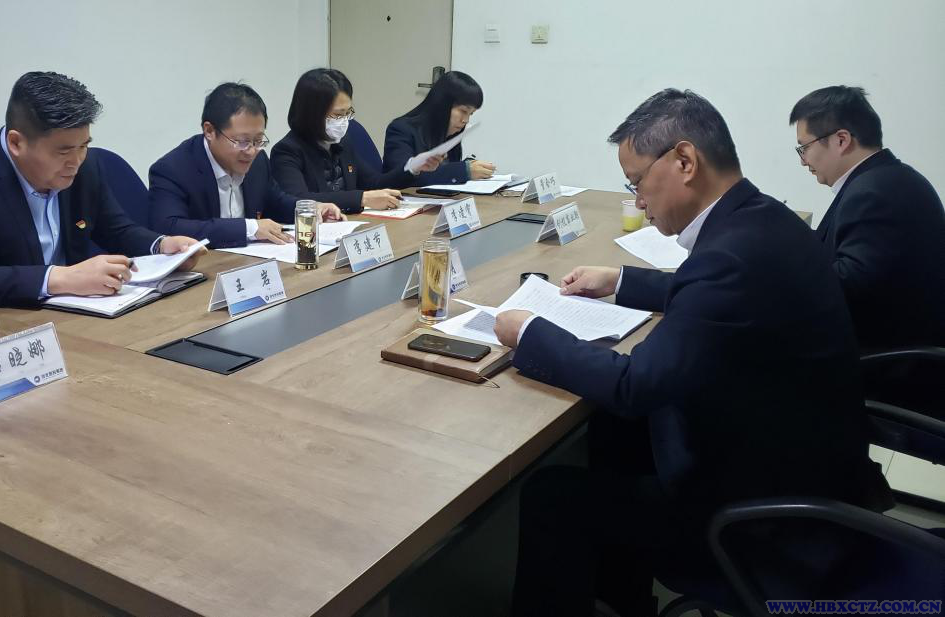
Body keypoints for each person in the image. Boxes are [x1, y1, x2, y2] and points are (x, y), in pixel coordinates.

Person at [492, 89, 890, 616]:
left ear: (684, 161)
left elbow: (633, 385)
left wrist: (530, 332)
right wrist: (621, 281)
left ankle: (620, 590)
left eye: (636, 183)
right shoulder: (763, 219)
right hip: (812, 472)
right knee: (616, 431)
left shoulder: (729, 257)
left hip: (769, 522)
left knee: (553, 494)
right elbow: (713, 296)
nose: (638, 201)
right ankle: (624, 599)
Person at [0, 71, 202, 307]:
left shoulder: (86, 166)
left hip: (79, 314)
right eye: (63, 151)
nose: (76, 161)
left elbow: (116, 229)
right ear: (16, 143)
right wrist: (60, 278)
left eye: (84, 146)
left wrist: (162, 246)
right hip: (14, 321)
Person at [789, 86, 945, 352]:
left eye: (804, 147)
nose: (803, 161)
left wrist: (780, 268)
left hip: (885, 364)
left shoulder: (874, 193)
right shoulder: (888, 179)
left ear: (841, 140)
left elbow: (851, 289)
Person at [148, 82, 343, 248]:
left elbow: (276, 202)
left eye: (258, 140)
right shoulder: (173, 169)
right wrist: (249, 228)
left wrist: (309, 209)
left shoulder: (258, 161)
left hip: (248, 264)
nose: (251, 151)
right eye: (242, 141)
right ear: (209, 131)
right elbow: (169, 228)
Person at [271, 68, 441, 213]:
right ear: (311, 114)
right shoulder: (287, 150)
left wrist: (413, 167)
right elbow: (300, 200)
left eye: (348, 113)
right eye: (338, 115)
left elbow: (374, 183)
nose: (344, 121)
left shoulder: (342, 142)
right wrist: (361, 198)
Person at [382, 70, 495, 186]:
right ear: (442, 104)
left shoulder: (451, 133)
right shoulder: (401, 129)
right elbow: (403, 176)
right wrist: (463, 170)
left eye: (470, 114)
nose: (466, 120)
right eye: (463, 111)